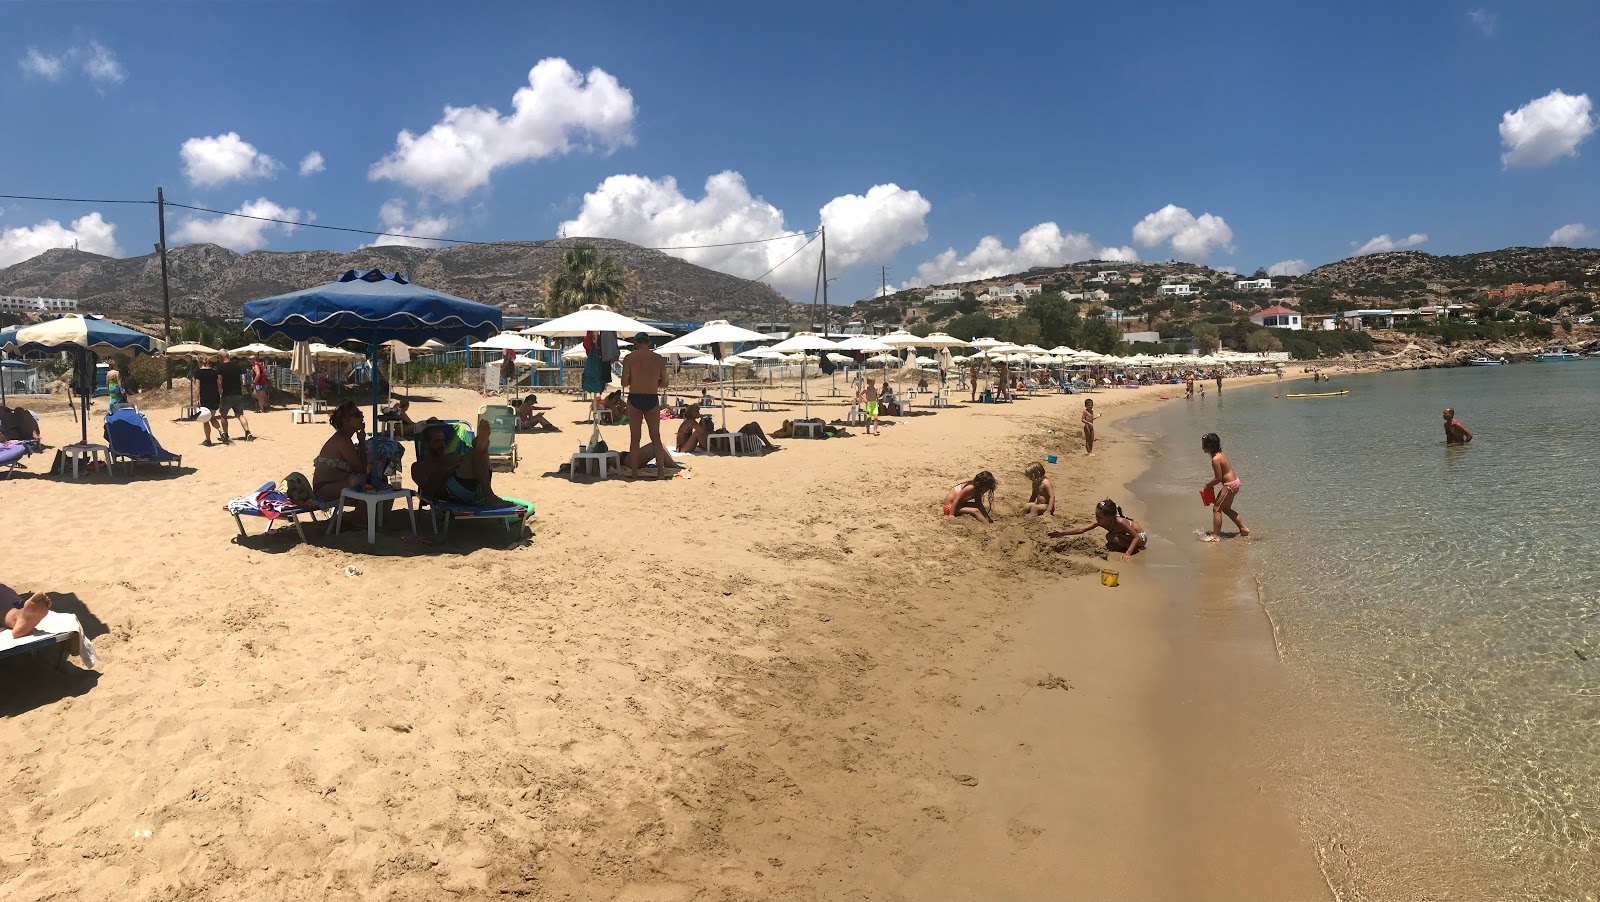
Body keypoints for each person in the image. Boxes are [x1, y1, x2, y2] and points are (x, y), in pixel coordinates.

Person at [413, 418, 508, 506]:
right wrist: (448, 470)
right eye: (437, 441)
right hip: (452, 494)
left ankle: (480, 448)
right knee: (477, 453)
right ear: (425, 444)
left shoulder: (449, 456)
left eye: (443, 441)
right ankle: (479, 448)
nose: (442, 445)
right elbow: (427, 493)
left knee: (476, 455)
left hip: (478, 485)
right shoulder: (418, 467)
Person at [620, 332, 670, 478]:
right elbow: (665, 383)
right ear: (649, 343)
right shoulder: (658, 358)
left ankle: (635, 473)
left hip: (635, 397)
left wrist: (634, 381)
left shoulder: (629, 358)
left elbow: (623, 383)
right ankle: (661, 472)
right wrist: (653, 382)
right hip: (651, 397)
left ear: (636, 343)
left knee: (635, 438)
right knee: (656, 436)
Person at [1049, 499, 1146, 561]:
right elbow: (1081, 529)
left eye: (1099, 517)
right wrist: (1061, 533)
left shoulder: (1120, 521)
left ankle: (1133, 549)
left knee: (1110, 536)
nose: (1097, 519)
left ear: (1109, 517)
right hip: (1129, 537)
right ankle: (1128, 547)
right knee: (1109, 546)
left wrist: (1127, 553)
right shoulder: (1100, 522)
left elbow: (1136, 537)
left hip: (1140, 537)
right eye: (1096, 516)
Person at [312, 402, 370, 502]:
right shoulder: (342, 440)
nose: (362, 416)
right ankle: (357, 517)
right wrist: (361, 442)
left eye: (360, 413)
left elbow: (362, 468)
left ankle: (363, 516)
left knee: (374, 480)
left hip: (334, 484)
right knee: (371, 482)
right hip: (325, 488)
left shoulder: (345, 438)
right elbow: (362, 469)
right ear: (345, 420)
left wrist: (361, 440)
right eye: (357, 415)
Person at [1200, 432, 1249, 542]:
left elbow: (1218, 478)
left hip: (1230, 485)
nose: (1202, 446)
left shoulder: (1215, 459)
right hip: (1235, 482)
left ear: (1209, 446)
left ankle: (1216, 536)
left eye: (1204, 444)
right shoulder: (1221, 454)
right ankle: (1243, 529)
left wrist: (1208, 486)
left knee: (1217, 509)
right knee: (1226, 509)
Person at [214, 350, 253, 442]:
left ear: (221, 357)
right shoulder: (237, 367)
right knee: (240, 414)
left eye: (218, 357)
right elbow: (240, 381)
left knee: (223, 415)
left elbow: (219, 382)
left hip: (227, 394)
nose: (218, 360)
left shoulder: (220, 368)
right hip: (238, 394)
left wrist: (219, 393)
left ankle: (226, 435)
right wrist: (241, 391)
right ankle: (247, 432)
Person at [195, 357, 223, 446]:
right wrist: (218, 394)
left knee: (206, 420)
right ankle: (221, 431)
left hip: (205, 398)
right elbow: (219, 384)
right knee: (212, 417)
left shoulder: (199, 372)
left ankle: (208, 440)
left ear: (199, 362)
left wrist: (197, 399)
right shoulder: (214, 371)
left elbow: (197, 387)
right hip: (215, 397)